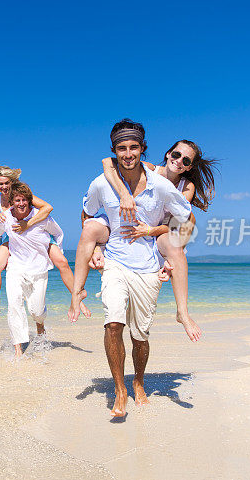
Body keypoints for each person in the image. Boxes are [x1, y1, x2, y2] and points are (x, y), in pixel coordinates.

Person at [71, 118, 195, 417]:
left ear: (144, 149)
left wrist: (159, 239)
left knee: (140, 336)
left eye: (134, 147)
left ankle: (138, 381)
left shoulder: (163, 187)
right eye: (122, 148)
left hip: (148, 267)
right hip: (115, 262)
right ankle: (120, 388)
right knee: (113, 324)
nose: (128, 154)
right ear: (115, 151)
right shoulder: (101, 183)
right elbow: (87, 215)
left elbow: (186, 221)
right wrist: (97, 249)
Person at [68, 139, 217, 342]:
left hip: (159, 230)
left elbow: (176, 224)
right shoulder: (148, 169)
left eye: (186, 160)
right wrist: (123, 194)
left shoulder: (186, 186)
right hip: (123, 222)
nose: (179, 161)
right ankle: (78, 291)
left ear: (190, 166)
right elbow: (107, 163)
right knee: (91, 228)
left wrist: (150, 230)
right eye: (176, 154)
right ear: (168, 154)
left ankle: (182, 312)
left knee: (182, 236)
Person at [0, 166, 89, 325]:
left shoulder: (24, 196)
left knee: (62, 262)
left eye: (7, 183)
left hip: (37, 236)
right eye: (0, 184)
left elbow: (48, 208)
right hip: (13, 239)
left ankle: (77, 298)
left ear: (12, 181)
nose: (4, 187)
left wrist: (27, 224)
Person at [0, 181, 66, 357]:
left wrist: (54, 251)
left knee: (37, 311)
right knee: (14, 305)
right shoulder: (6, 218)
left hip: (38, 269)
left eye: (24, 200)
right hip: (15, 268)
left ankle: (40, 326)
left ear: (30, 201)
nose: (21, 203)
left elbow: (58, 233)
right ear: (12, 201)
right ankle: (18, 349)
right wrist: (3, 255)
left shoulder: (41, 218)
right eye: (17, 200)